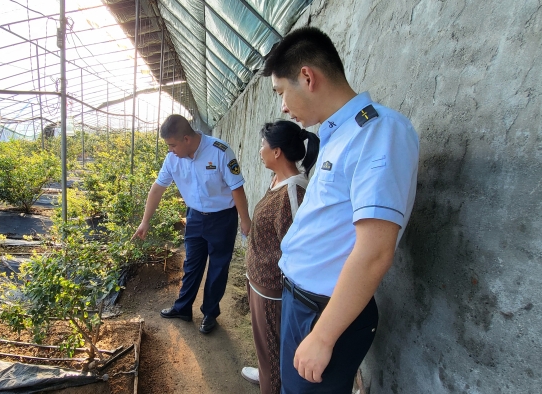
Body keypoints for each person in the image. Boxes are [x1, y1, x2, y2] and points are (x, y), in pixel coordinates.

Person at [261, 27, 420, 393]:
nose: (283, 106)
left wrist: (323, 336)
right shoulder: (338, 136)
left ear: (307, 77)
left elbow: (375, 251)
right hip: (302, 303)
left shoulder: (378, 132)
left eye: (281, 92)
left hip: (325, 313)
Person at [132, 114, 252, 334]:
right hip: (195, 216)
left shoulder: (220, 151)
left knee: (218, 267)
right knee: (192, 265)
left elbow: (237, 188)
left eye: (172, 145)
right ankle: (183, 308)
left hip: (222, 218)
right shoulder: (172, 159)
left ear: (186, 139)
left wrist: (245, 220)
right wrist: (144, 222)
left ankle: (209, 313)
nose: (170, 150)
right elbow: (157, 188)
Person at [241, 120, 320, 394]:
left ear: (277, 152)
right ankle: (265, 374)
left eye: (263, 145)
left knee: (274, 354)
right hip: (259, 283)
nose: (259, 150)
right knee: (266, 347)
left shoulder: (292, 192)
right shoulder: (277, 181)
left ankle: (271, 384)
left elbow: (298, 248)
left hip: (272, 291)